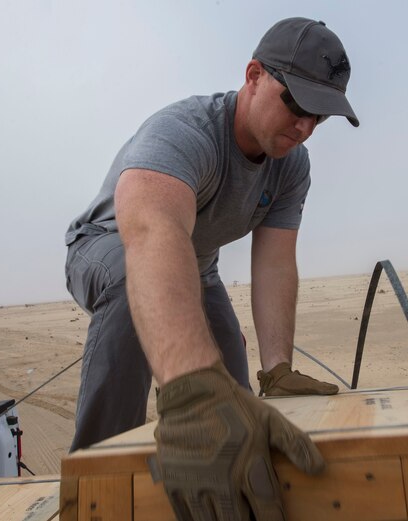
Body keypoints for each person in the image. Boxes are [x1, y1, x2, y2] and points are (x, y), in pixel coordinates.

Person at [64, 17, 359, 519]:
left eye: (320, 117)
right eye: (297, 103)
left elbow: (275, 262)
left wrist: (278, 369)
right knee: (187, 375)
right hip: (110, 246)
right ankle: (97, 486)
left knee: (232, 406)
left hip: (197, 268)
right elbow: (152, 232)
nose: (306, 126)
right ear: (253, 76)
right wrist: (190, 391)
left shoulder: (291, 165)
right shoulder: (184, 131)